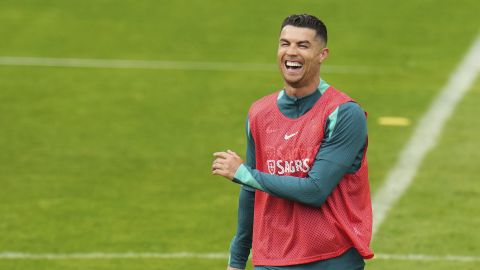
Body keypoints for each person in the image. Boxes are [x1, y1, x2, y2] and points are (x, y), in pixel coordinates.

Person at [212, 14, 373, 270]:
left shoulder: (342, 113)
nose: (291, 52)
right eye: (285, 43)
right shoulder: (259, 113)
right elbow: (250, 192)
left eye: (303, 45)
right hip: (271, 260)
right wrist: (237, 259)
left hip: (330, 260)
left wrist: (244, 174)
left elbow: (315, 190)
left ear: (323, 54)